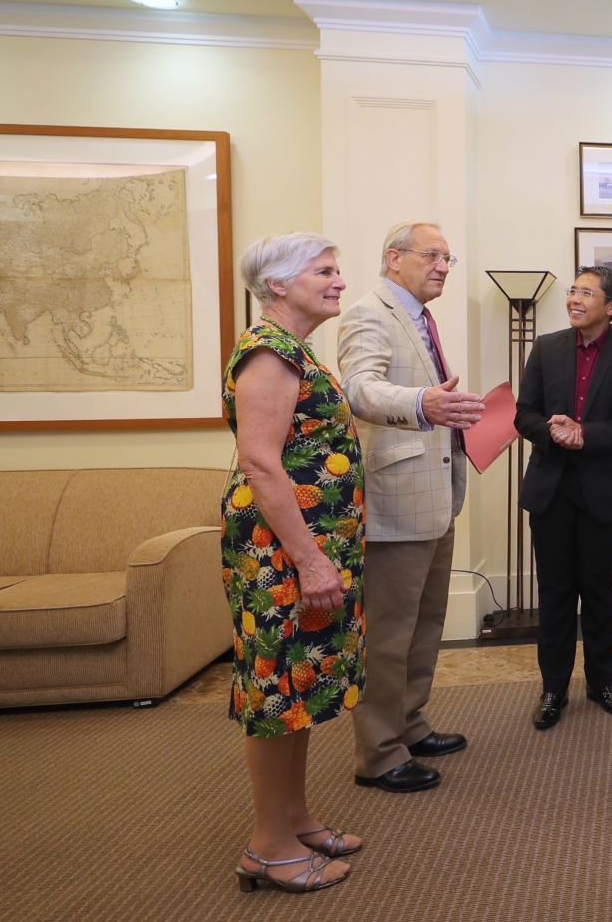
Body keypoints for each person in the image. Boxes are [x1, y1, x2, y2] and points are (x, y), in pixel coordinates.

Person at [223, 232, 365, 893]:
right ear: (277, 284)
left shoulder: (294, 350)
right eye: (324, 271)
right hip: (281, 551)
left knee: (300, 683)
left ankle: (294, 816)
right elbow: (259, 461)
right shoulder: (268, 354)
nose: (339, 281)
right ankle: (269, 845)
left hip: (306, 545)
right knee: (277, 688)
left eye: (338, 270)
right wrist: (309, 560)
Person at [338, 222, 484, 792]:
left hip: (434, 497)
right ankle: (378, 752)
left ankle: (410, 723)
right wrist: (424, 402)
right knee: (390, 636)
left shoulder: (421, 317)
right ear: (393, 258)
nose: (444, 266)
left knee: (425, 627)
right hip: (394, 501)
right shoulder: (369, 312)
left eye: (449, 257)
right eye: (432, 255)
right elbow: (358, 388)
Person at [516, 265, 612, 730]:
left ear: (611, 307)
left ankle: (601, 682)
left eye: (586, 293)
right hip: (550, 488)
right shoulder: (546, 347)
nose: (575, 299)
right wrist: (554, 432)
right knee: (555, 593)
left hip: (602, 490)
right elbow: (523, 415)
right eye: (573, 291)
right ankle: (553, 689)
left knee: (598, 591)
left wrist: (586, 435)